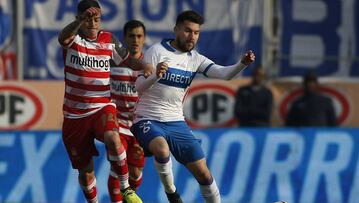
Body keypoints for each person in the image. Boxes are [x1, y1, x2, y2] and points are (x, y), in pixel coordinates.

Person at [130, 10, 255, 203]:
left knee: (204, 174)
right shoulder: (156, 51)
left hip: (176, 122)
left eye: (196, 32)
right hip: (147, 118)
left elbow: (224, 74)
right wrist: (155, 76)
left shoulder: (195, 59)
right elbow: (138, 87)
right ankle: (172, 194)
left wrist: (242, 64)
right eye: (187, 31)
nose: (192, 36)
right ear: (176, 29)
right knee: (162, 150)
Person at [58, 1, 151, 202]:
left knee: (112, 137)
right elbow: (62, 37)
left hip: (102, 105)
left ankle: (125, 188)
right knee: (86, 172)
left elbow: (128, 60)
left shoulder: (109, 40)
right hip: (75, 115)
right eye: (87, 19)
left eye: (96, 19)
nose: (93, 23)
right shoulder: (73, 40)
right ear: (79, 20)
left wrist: (145, 65)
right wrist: (79, 22)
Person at [108, 20, 147, 203]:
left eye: (139, 36)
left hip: (139, 126)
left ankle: (127, 198)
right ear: (124, 38)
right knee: (117, 168)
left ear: (144, 39)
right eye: (131, 36)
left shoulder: (149, 66)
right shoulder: (112, 63)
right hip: (117, 125)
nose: (135, 40)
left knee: (136, 172)